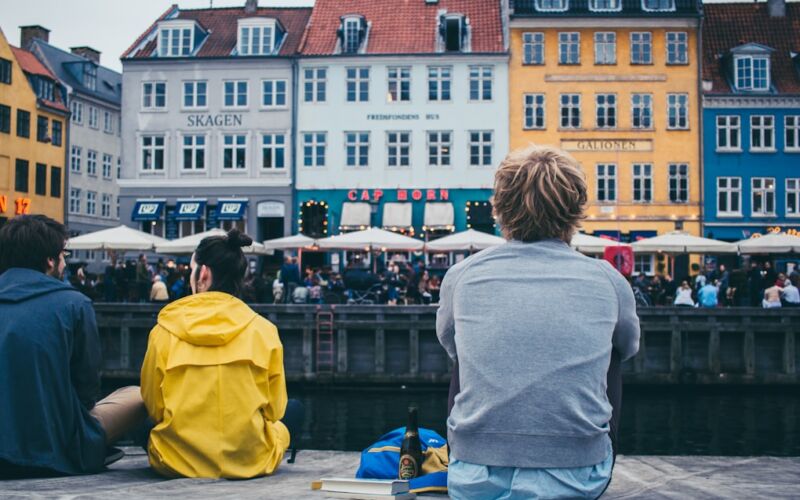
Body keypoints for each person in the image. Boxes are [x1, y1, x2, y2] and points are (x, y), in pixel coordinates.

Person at [438, 146, 640, 499]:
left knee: (463, 355)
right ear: (576, 209)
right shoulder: (608, 280)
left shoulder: (462, 276)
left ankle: (468, 442)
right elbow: (626, 350)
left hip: (474, 472)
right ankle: (600, 446)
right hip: (578, 472)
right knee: (611, 353)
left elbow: (452, 349)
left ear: (500, 208)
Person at [140, 229, 302, 478]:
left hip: (175, 460)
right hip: (250, 460)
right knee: (294, 410)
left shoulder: (163, 331)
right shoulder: (264, 331)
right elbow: (275, 411)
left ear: (203, 274)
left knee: (137, 412)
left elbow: (154, 407)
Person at [0, 215, 147, 478]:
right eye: (63, 254)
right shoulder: (73, 304)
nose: (65, 261)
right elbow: (86, 388)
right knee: (138, 394)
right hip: (55, 449)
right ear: (49, 260)